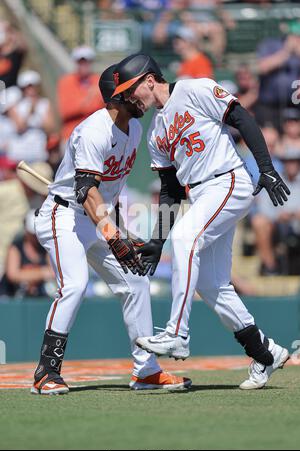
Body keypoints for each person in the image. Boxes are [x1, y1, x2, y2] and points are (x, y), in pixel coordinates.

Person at [112, 53, 290, 390]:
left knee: (185, 239)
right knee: (212, 286)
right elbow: (170, 190)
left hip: (229, 180)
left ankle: (177, 334)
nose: (129, 96)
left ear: (150, 79)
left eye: (131, 88)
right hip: (202, 194)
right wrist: (157, 240)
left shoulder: (194, 90)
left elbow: (241, 117)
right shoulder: (155, 133)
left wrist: (266, 168)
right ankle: (265, 352)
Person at [31, 64, 191, 395]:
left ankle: (146, 371)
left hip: (93, 217)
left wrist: (118, 230)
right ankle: (46, 373)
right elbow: (86, 190)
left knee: (135, 280)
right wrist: (113, 236)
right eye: (135, 91)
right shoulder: (93, 131)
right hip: (62, 215)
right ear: (118, 96)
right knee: (74, 285)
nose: (144, 97)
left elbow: (110, 192)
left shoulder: (133, 131)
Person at [0, 210, 54, 297]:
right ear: (26, 231)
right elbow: (13, 274)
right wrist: (43, 273)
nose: (36, 237)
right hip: (12, 297)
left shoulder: (46, 248)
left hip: (38, 297)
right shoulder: (15, 248)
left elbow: (53, 272)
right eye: (33, 234)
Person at [57, 45, 105, 141]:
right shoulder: (66, 82)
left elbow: (105, 109)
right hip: (71, 136)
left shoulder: (99, 80)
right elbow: (65, 111)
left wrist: (81, 104)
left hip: (96, 135)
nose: (84, 65)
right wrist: (90, 98)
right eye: (80, 62)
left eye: (87, 61)